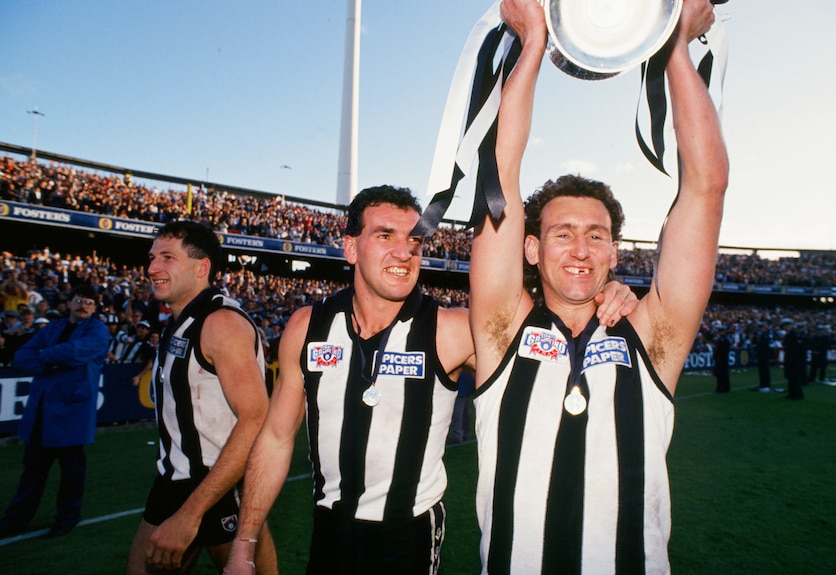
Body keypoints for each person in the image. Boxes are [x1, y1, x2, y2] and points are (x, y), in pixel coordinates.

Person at [223, 186, 637, 574]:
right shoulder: (306, 328)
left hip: (411, 535)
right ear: (350, 247)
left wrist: (604, 289)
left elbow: (548, 335)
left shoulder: (450, 330)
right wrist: (244, 542)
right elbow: (276, 438)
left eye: (416, 240)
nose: (405, 252)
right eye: (386, 236)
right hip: (329, 528)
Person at [468, 0, 728, 572]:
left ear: (614, 252)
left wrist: (676, 46)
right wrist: (534, 41)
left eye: (596, 235)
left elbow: (705, 189)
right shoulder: (500, 329)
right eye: (562, 234)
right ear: (531, 249)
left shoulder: (654, 334)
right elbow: (499, 174)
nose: (581, 249)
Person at [125, 221, 276, 574]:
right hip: (174, 479)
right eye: (151, 258)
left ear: (201, 267)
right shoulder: (180, 320)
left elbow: (254, 416)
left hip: (213, 486)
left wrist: (192, 512)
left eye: (167, 258)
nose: (152, 268)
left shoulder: (220, 323)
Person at [0, 285, 110, 538]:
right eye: (79, 300)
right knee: (32, 471)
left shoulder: (98, 330)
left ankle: (67, 517)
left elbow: (74, 352)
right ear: (69, 303)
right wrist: (52, 359)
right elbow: (22, 355)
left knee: (71, 471)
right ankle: (16, 519)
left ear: (95, 308)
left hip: (72, 412)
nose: (84, 305)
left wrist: (44, 356)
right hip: (42, 410)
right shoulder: (53, 327)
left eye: (90, 303)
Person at [713, 326, 731, 393]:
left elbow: (718, 350)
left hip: (720, 358)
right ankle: (726, 387)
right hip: (725, 358)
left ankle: (720, 388)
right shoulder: (726, 339)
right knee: (725, 373)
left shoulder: (721, 339)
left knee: (720, 374)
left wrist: (715, 356)